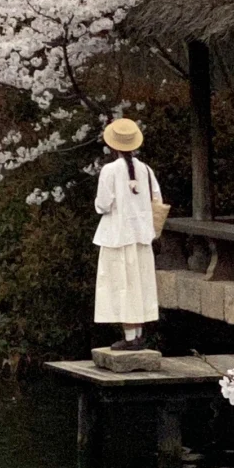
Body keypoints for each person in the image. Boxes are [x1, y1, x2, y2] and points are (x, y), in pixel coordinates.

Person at [93, 118, 162, 351]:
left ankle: (131, 336)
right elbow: (157, 201)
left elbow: (103, 204)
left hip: (117, 236)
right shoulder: (146, 170)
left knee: (122, 285)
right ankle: (138, 334)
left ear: (112, 145)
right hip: (141, 236)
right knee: (139, 284)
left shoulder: (110, 170)